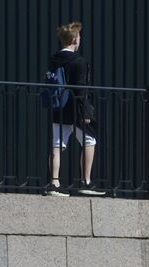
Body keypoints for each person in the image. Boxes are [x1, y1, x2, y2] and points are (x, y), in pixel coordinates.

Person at [46, 21, 101, 196]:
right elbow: (81, 90)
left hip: (57, 106)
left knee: (57, 145)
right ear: (75, 40)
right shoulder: (79, 61)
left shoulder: (53, 60)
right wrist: (86, 112)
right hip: (75, 108)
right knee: (89, 141)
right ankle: (86, 182)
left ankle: (54, 183)